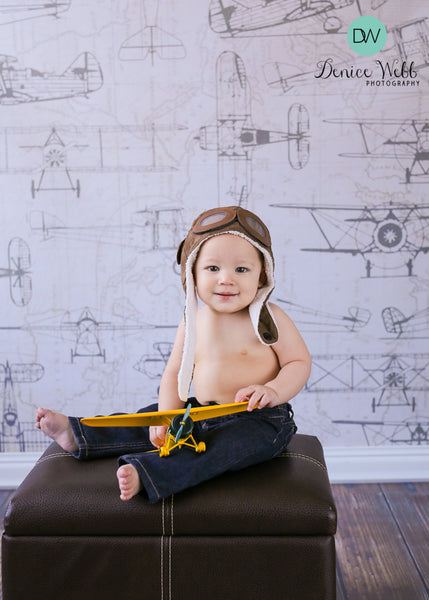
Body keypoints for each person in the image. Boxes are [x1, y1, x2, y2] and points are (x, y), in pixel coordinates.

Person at [36, 206, 311, 503]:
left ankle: (150, 473)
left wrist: (272, 390)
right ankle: (79, 434)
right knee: (145, 418)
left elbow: (298, 362)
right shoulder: (192, 320)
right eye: (213, 268)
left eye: (241, 269)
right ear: (192, 272)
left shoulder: (270, 317)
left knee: (222, 447)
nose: (226, 279)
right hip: (203, 411)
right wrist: (165, 418)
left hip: (259, 420)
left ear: (261, 277)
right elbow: (173, 373)